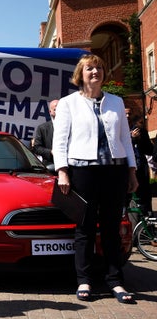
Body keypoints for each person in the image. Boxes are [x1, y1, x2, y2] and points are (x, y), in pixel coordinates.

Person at [52, 53, 138, 304]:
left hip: (114, 171)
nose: (95, 72)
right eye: (89, 68)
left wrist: (131, 171)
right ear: (81, 74)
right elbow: (60, 141)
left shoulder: (115, 102)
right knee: (85, 229)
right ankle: (84, 280)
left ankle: (116, 282)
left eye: (99, 68)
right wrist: (62, 172)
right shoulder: (69, 103)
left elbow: (124, 140)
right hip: (83, 171)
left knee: (111, 229)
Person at [125, 108, 152, 214]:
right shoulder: (118, 131)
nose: (127, 116)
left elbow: (149, 150)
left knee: (144, 197)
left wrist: (141, 139)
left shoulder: (140, 130)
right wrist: (132, 139)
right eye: (125, 114)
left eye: (129, 114)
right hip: (125, 170)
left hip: (140, 169)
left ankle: (146, 222)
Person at [33, 99, 58, 168]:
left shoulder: (70, 127)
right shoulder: (43, 128)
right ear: (50, 112)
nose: (59, 111)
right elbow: (37, 148)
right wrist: (50, 152)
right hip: (50, 165)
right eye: (56, 109)